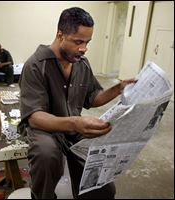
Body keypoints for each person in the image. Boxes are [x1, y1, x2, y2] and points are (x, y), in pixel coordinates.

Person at [19, 7, 137, 199]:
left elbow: (92, 97)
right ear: (60, 35)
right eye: (78, 42)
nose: (84, 48)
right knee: (48, 155)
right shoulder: (35, 66)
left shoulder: (81, 63)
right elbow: (34, 118)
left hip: (74, 130)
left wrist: (117, 89)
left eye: (87, 42)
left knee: (103, 183)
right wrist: (75, 123)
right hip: (45, 130)